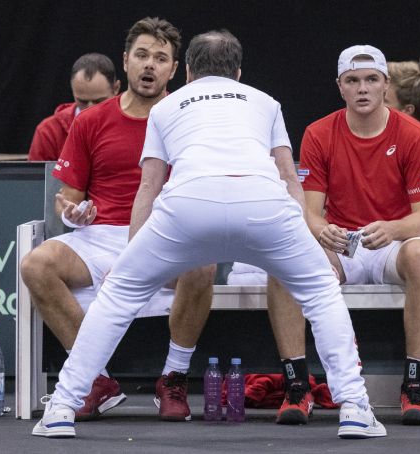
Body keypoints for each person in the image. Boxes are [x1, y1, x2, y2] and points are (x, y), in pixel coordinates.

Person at [31, 29, 386, 441]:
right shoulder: (266, 102)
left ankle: (61, 408)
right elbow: (290, 178)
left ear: (186, 73)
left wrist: (130, 261)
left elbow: (149, 187)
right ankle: (357, 409)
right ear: (237, 72)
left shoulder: (166, 108)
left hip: (187, 205)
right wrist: (303, 241)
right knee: (322, 293)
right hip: (264, 204)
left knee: (117, 298)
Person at [20, 17, 215, 422]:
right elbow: (69, 198)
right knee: (36, 263)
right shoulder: (90, 121)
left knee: (204, 263)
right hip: (100, 237)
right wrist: (73, 212)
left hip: (166, 236)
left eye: (161, 58)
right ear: (125, 62)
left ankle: (173, 378)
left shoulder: (193, 119)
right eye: (142, 55)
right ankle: (96, 380)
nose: (149, 66)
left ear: (174, 69)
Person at [266, 45, 420, 426]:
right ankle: (297, 388)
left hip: (391, 243)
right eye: (353, 81)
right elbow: (310, 212)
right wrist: (322, 231)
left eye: (371, 80)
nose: (362, 88)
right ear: (340, 87)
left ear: (385, 85)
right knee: (283, 266)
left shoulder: (414, 135)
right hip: (343, 245)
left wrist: (391, 228)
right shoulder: (318, 133)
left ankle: (416, 387)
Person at [28, 53, 121, 161]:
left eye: (98, 101)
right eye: (82, 101)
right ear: (73, 90)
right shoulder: (49, 131)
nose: (90, 109)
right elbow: (37, 177)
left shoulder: (132, 124)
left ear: (116, 88)